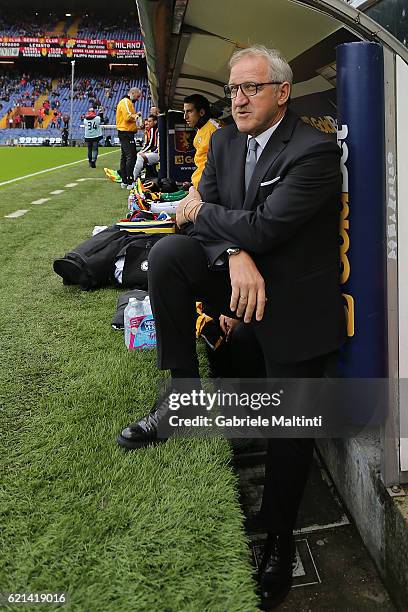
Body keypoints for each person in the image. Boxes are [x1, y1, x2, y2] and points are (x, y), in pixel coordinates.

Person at [117, 45, 346, 608]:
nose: (238, 99)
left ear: (283, 93)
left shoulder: (313, 150)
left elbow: (263, 227)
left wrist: (218, 222)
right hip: (240, 279)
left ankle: (280, 538)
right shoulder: (222, 140)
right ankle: (179, 397)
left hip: (291, 300)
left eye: (252, 88)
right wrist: (233, 252)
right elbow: (200, 231)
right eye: (233, 89)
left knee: (289, 425)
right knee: (170, 256)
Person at [183, 94, 222, 188]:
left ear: (201, 112)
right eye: (184, 112)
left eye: (189, 111)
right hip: (199, 184)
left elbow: (221, 165)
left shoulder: (216, 130)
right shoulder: (201, 129)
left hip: (208, 187)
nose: (185, 117)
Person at [116, 86, 141, 188]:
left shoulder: (128, 102)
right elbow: (127, 117)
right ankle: (129, 180)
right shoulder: (126, 101)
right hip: (125, 133)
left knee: (125, 157)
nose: (137, 99)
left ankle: (125, 181)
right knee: (131, 156)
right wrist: (136, 116)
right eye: (137, 96)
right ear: (133, 93)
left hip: (125, 133)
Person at [132, 114, 159, 183]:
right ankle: (135, 176)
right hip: (156, 152)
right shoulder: (152, 129)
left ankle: (133, 180)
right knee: (138, 155)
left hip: (160, 154)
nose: (148, 124)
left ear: (155, 122)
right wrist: (143, 151)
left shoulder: (159, 129)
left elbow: (156, 146)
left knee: (140, 157)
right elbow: (149, 144)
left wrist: (146, 152)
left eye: (150, 121)